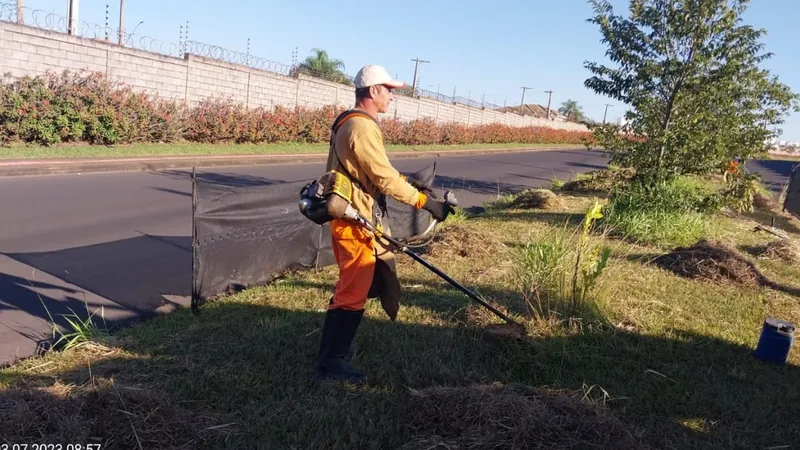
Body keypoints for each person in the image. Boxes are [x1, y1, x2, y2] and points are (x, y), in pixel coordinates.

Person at [315, 64, 454, 383]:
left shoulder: (348, 121)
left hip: (353, 216)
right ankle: (330, 364)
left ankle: (336, 352)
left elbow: (372, 171)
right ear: (373, 91)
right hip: (354, 221)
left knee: (355, 287)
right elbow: (382, 177)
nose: (392, 96)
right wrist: (426, 203)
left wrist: (408, 181)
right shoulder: (362, 127)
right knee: (352, 290)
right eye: (388, 90)